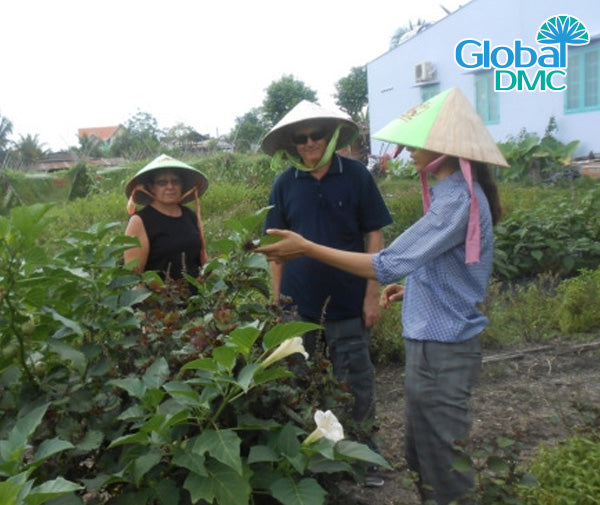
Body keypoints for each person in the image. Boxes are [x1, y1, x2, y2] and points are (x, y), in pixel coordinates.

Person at [257, 87, 507, 505]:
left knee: (441, 456)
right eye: (301, 138)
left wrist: (308, 248)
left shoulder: (456, 201)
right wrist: (415, 288)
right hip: (430, 341)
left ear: (444, 150)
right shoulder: (451, 196)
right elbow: (448, 265)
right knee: (423, 451)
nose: (408, 152)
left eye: (417, 144)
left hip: (441, 347)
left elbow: (386, 262)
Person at [260, 100, 393, 485]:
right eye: (301, 139)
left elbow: (373, 234)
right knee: (298, 385)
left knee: (356, 383)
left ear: (331, 136)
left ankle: (365, 457)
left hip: (349, 301)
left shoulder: (355, 175)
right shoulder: (285, 183)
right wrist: (276, 302)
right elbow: (274, 248)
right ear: (293, 145)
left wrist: (371, 294)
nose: (309, 143)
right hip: (299, 306)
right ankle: (314, 460)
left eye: (316, 135)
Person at [124, 154, 209, 282]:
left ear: (182, 185)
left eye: (175, 181)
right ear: (151, 188)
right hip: (159, 294)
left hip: (196, 292)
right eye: (162, 183)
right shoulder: (140, 221)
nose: (170, 187)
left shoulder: (190, 215)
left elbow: (202, 257)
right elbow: (134, 276)